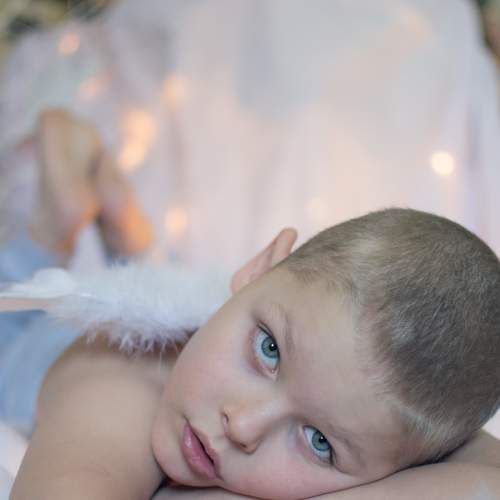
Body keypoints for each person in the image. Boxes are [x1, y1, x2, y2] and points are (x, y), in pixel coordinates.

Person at [5, 149, 500, 498]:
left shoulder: (271, 338)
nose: (242, 425)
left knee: (162, 274)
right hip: (29, 341)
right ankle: (56, 226)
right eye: (269, 350)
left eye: (319, 442)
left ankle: (130, 238)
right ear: (260, 267)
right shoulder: (119, 387)